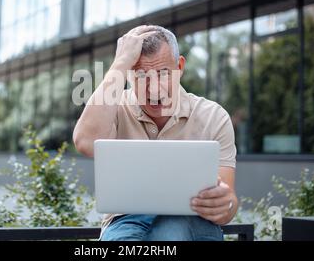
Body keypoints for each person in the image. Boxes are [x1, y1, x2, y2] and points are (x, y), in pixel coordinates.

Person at [73, 25, 238, 241]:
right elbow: (85, 142)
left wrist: (224, 204)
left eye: (162, 73)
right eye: (141, 75)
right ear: (129, 75)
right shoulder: (114, 107)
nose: (154, 90)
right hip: (126, 220)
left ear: (179, 67)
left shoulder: (213, 116)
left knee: (170, 232)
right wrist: (120, 62)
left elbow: (228, 207)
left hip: (193, 220)